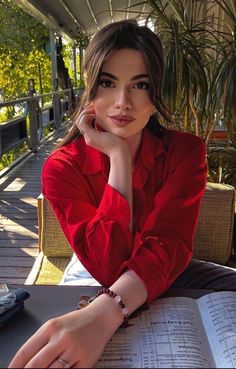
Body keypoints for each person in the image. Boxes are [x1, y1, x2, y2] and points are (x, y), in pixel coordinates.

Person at [9, 19, 218, 368]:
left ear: (156, 95)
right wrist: (119, 159)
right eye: (108, 83)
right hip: (98, 275)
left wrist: (106, 311)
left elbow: (168, 243)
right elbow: (108, 266)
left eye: (140, 85)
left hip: (171, 269)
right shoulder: (62, 168)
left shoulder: (186, 152)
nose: (123, 102)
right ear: (90, 89)